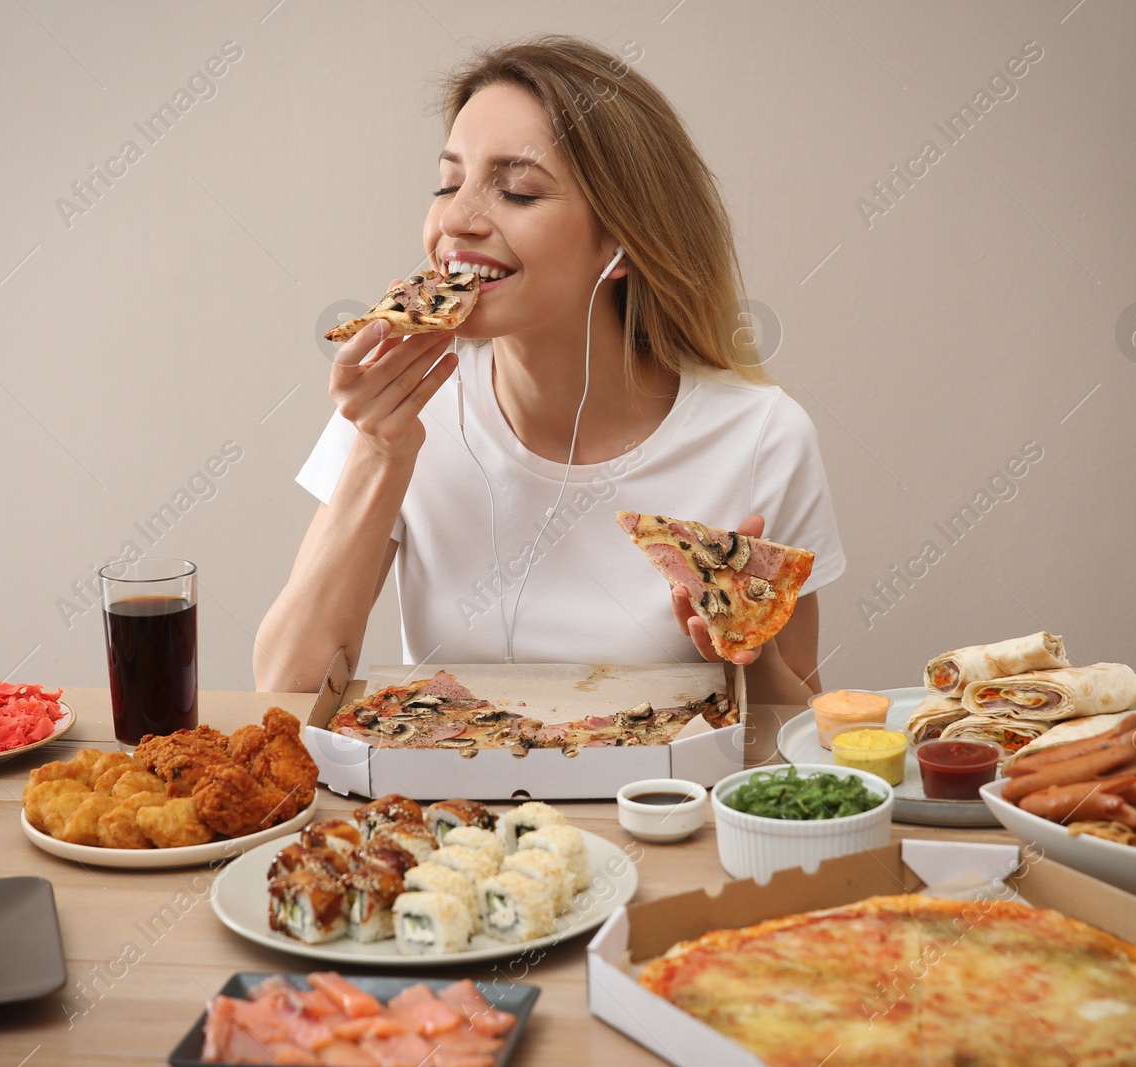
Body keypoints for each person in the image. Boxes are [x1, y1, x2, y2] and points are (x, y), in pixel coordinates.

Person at [255, 35, 844, 703]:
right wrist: (379, 454)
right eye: (448, 182)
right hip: (449, 801)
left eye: (517, 191)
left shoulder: (762, 438)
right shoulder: (397, 405)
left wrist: (746, 650)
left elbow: (798, 740)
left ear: (620, 244)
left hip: (657, 808)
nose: (455, 218)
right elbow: (287, 690)